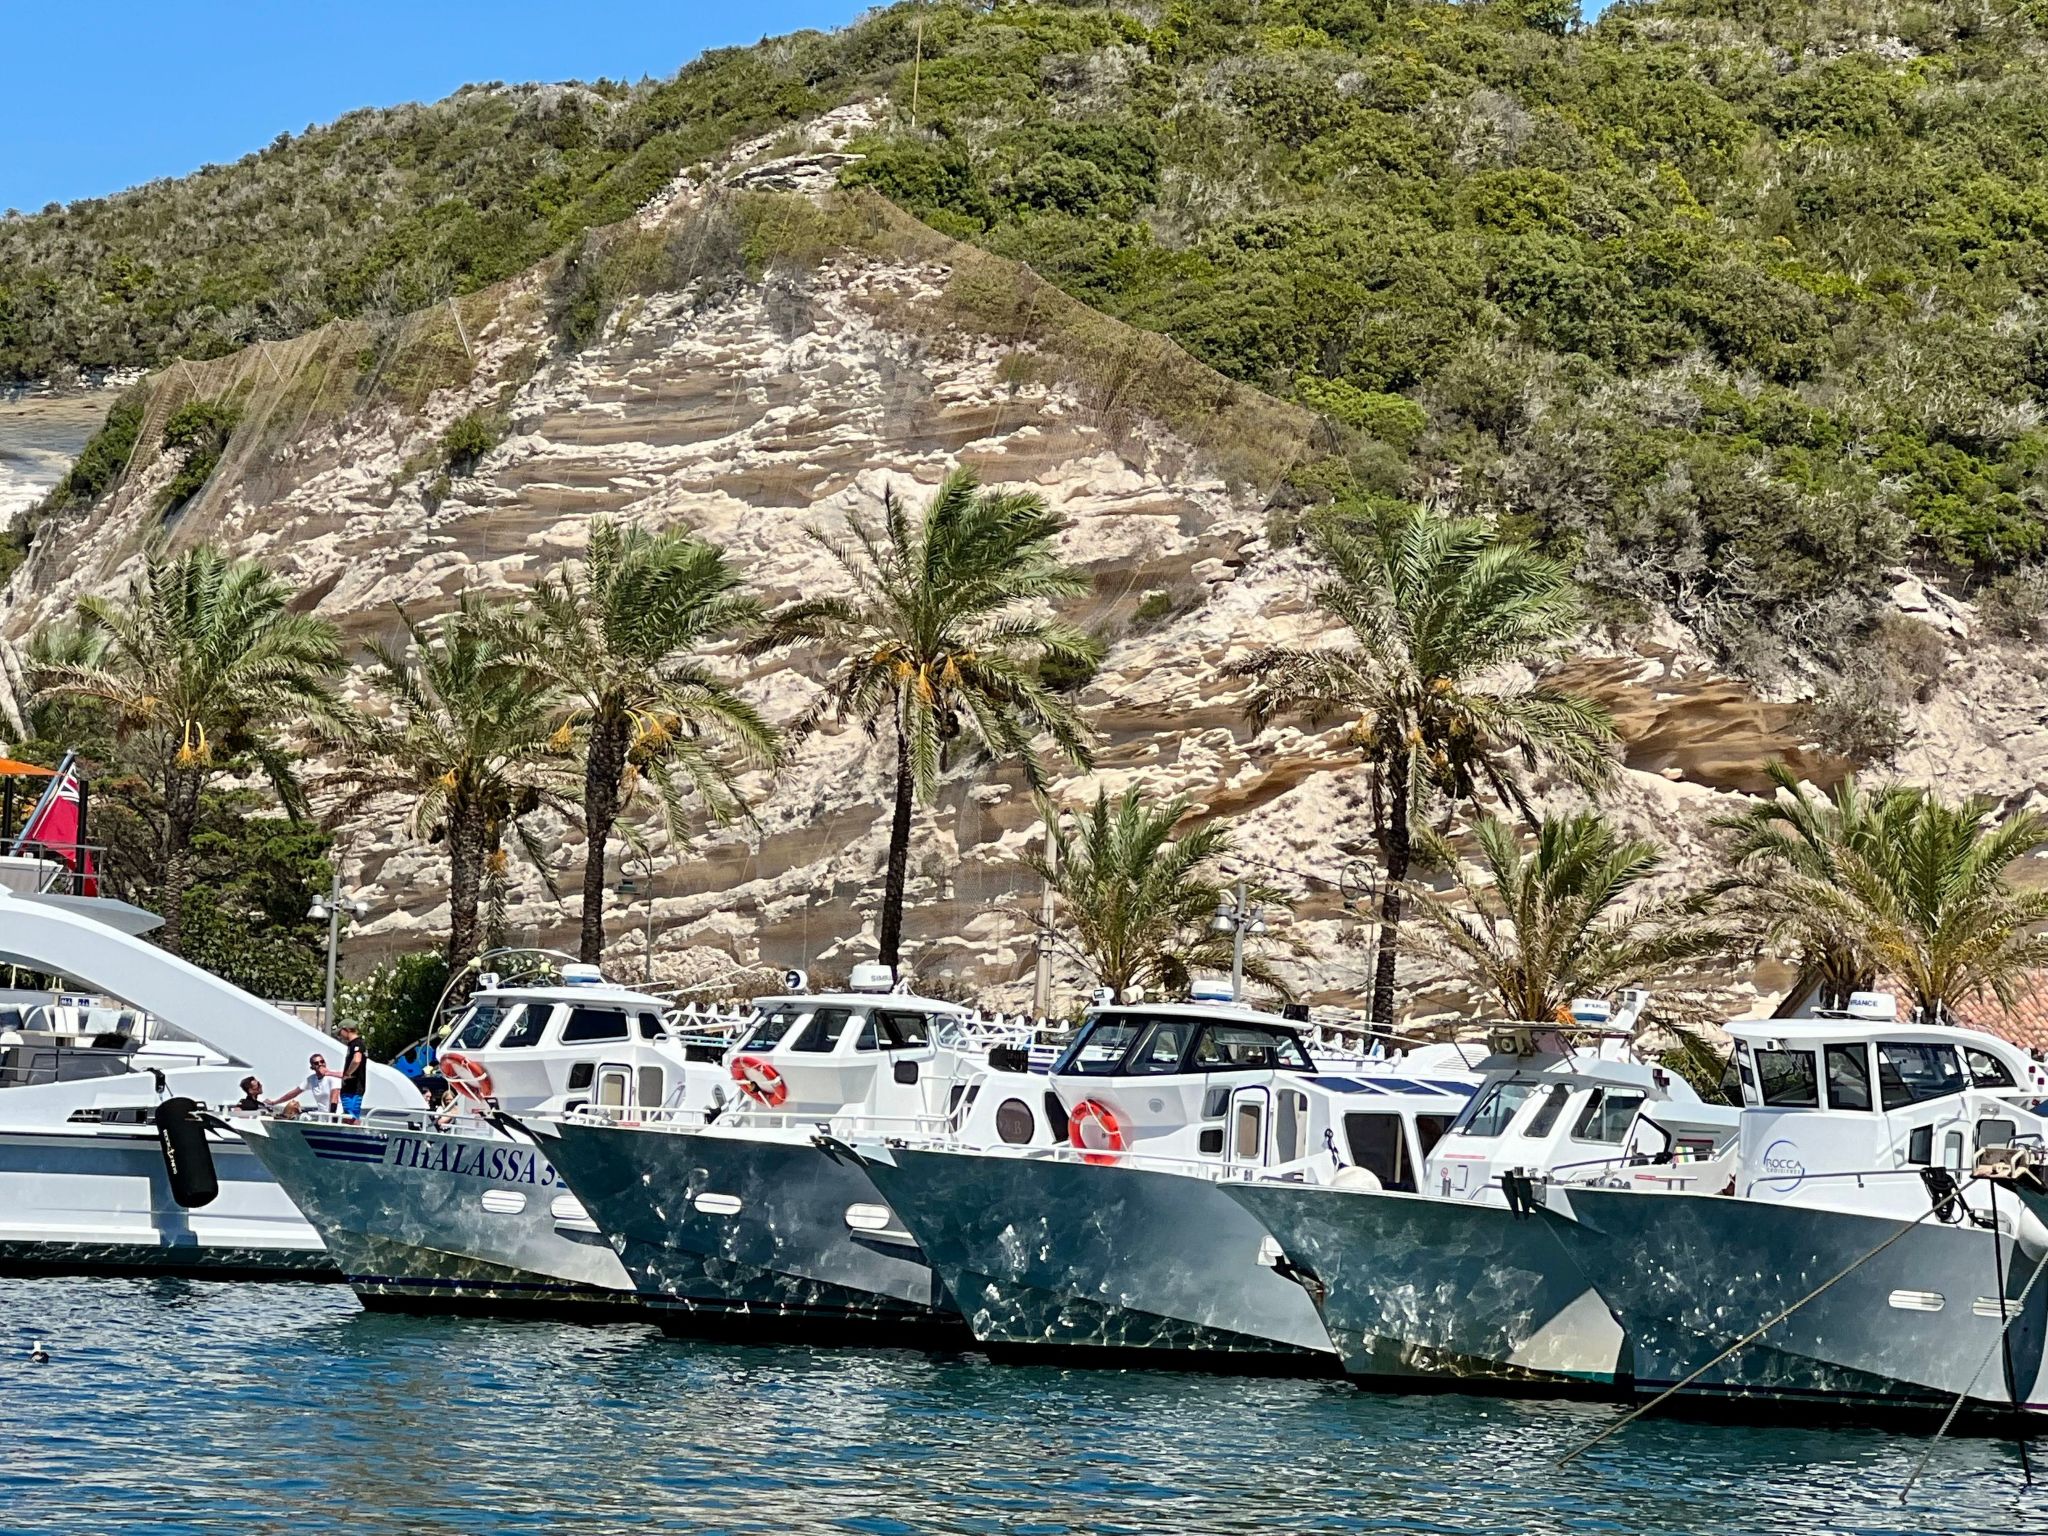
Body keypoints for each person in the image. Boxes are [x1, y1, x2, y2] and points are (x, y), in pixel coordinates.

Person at [338, 1023, 368, 1122]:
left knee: (351, 1117)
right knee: (348, 1116)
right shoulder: (352, 1044)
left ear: (346, 1029)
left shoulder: (357, 1043)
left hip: (353, 1089)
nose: (339, 1036)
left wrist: (348, 1074)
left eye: (340, 1032)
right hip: (349, 1089)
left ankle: (355, 1131)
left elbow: (357, 1060)